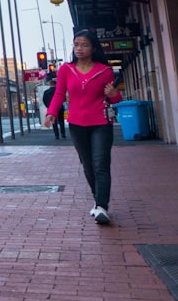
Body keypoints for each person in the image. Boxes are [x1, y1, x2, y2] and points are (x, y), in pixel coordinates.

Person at [44, 30, 122, 225]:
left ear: (93, 48)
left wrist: (114, 93)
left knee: (100, 164)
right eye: (76, 44)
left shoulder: (104, 71)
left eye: (84, 45)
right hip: (77, 124)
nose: (79, 48)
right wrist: (51, 112)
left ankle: (102, 206)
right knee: (88, 166)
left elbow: (114, 98)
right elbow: (60, 94)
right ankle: (98, 199)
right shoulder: (66, 70)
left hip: (101, 123)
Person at [42, 74, 65, 140]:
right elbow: (63, 99)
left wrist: (48, 106)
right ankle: (63, 134)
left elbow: (44, 100)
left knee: (54, 122)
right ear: (55, 85)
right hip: (60, 108)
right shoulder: (58, 91)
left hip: (51, 108)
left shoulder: (46, 92)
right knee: (61, 121)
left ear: (50, 84)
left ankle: (56, 135)